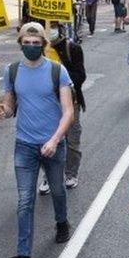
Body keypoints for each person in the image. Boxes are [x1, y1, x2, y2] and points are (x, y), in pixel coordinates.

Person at [0, 22, 75, 258]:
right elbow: (9, 105)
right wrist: (2, 111)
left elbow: (68, 111)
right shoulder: (12, 71)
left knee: (58, 190)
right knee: (25, 200)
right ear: (20, 44)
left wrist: (54, 139)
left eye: (35, 43)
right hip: (25, 145)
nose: (30, 47)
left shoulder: (57, 71)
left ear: (43, 44)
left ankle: (62, 222)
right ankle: (23, 256)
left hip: (53, 143)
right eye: (26, 44)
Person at [44, 27, 86, 191]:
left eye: (53, 26)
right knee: (47, 139)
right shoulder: (40, 50)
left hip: (70, 101)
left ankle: (71, 173)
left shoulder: (72, 48)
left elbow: (80, 76)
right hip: (47, 104)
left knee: (71, 139)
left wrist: (59, 79)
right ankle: (48, 176)